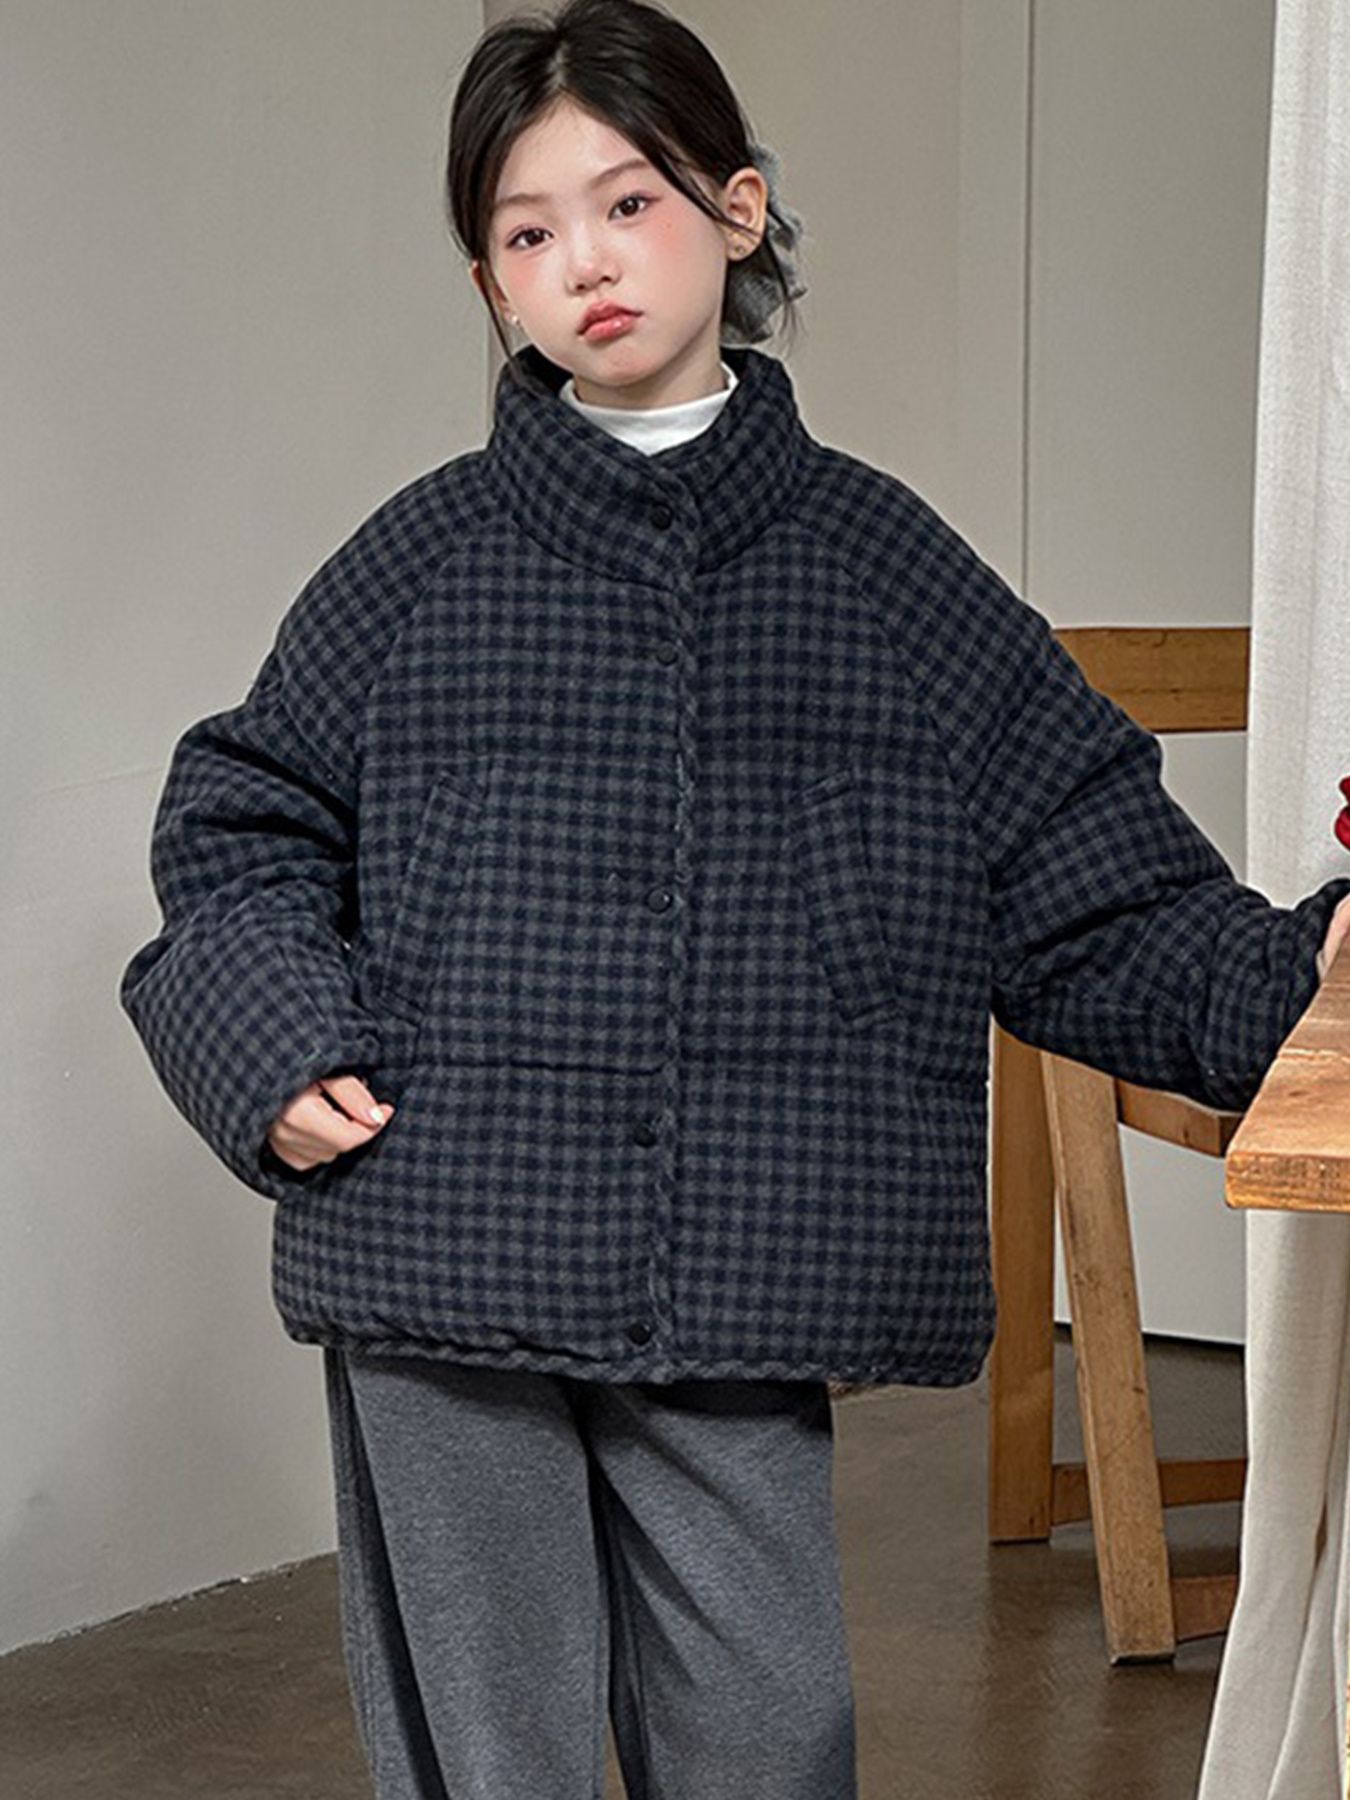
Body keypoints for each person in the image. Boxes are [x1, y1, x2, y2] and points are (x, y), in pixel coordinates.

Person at [118, 2, 1350, 1795]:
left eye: (627, 203)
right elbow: (241, 827)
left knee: (773, 1732)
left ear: (736, 207)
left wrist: (1308, 979)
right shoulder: (415, 564)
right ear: (490, 286)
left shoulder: (888, 572)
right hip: (437, 1237)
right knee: (491, 1756)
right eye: (525, 234)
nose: (583, 262)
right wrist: (273, 1044)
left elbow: (1092, 890)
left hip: (748, 1265)